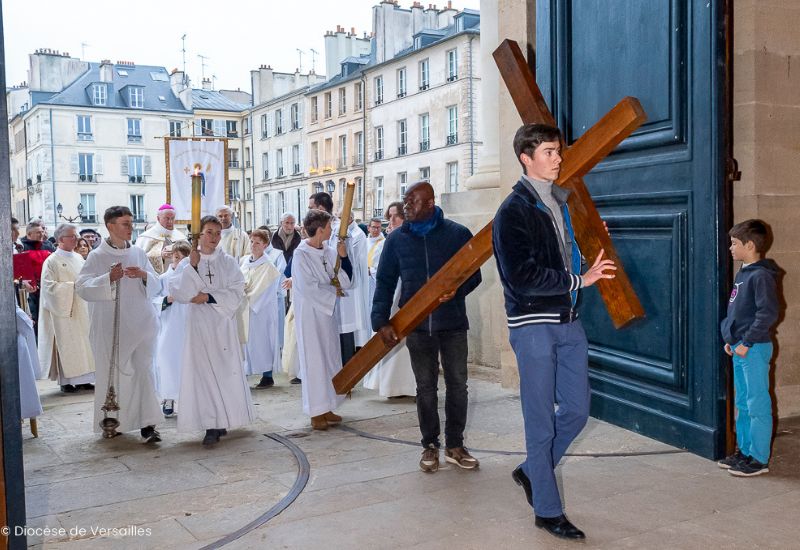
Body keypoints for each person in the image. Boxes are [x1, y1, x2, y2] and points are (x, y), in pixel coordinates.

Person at [493, 123, 617, 540]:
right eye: (549, 152)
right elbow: (522, 276)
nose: (558, 158)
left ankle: (532, 470)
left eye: (558, 151)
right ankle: (547, 510)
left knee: (578, 410)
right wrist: (579, 281)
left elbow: (565, 255)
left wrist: (588, 259)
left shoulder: (559, 203)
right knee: (540, 420)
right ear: (526, 157)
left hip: (568, 321)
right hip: (533, 326)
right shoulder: (512, 212)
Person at [373, 181, 482, 473]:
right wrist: (380, 321)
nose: (405, 207)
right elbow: (384, 281)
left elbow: (475, 275)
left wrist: (456, 290)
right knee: (425, 387)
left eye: (412, 202)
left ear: (430, 203)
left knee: (458, 385)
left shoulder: (457, 234)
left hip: (453, 324)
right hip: (417, 326)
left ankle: (456, 445)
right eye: (405, 201)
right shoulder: (396, 240)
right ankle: (430, 446)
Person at [76, 206, 164, 443]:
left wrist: (144, 276)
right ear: (110, 226)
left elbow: (157, 284)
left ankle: (148, 425)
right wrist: (108, 279)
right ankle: (112, 423)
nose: (130, 227)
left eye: (131, 222)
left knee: (144, 373)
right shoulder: (96, 256)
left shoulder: (137, 252)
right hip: (111, 329)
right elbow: (82, 287)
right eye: (125, 223)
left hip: (141, 324)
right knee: (113, 375)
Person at [170, 215, 254, 446]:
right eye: (209, 232)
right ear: (199, 234)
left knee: (223, 371)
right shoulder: (189, 261)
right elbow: (178, 291)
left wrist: (209, 296)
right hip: (198, 325)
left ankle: (223, 417)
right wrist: (194, 266)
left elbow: (238, 289)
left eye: (218, 233)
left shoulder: (227, 262)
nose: (214, 238)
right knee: (203, 372)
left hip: (222, 324)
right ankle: (211, 423)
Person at [718, 219, 779, 477]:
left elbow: (767, 313)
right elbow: (736, 311)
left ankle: (758, 459)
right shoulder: (743, 272)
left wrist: (748, 341)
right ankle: (744, 451)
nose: (730, 248)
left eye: (734, 244)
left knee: (757, 405)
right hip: (740, 348)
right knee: (743, 403)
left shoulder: (761, 276)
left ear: (750, 245)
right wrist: (731, 340)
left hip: (753, 349)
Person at [293, 209, 352, 430]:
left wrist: (343, 257)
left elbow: (342, 278)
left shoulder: (327, 250)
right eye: (328, 227)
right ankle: (315, 412)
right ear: (320, 230)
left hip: (327, 315)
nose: (331, 230)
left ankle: (328, 406)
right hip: (310, 315)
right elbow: (307, 288)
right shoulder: (301, 255)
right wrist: (332, 291)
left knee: (329, 357)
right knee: (314, 361)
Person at [309, 192, 370, 363]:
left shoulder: (351, 234)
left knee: (345, 331)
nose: (337, 221)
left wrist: (343, 253)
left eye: (311, 208)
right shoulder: (330, 231)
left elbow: (353, 263)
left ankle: (347, 372)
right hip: (330, 287)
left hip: (346, 287)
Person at [363, 206, 416, 399]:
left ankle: (407, 385)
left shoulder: (410, 238)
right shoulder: (389, 241)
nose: (391, 221)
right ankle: (390, 384)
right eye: (390, 217)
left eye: (396, 216)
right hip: (392, 292)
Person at [38, 224, 96, 393]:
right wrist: (72, 288)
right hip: (64, 311)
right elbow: (49, 288)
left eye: (76, 235)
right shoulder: (51, 261)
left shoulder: (79, 258)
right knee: (68, 345)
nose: (76, 239)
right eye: (72, 236)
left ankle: (85, 379)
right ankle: (67, 382)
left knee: (85, 344)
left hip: (82, 308)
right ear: (60, 239)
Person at [240, 228, 286, 389]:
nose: (253, 245)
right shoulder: (245, 261)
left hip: (261, 310)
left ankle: (267, 375)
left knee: (262, 341)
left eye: (258, 243)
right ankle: (246, 371)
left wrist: (247, 299)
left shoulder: (269, 266)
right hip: (245, 308)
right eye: (252, 242)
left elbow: (266, 291)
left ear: (265, 245)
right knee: (247, 342)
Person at [154, 240, 192, 417]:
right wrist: (165, 300)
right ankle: (168, 397)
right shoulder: (163, 279)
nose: (179, 261)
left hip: (188, 326)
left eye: (183, 258)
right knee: (167, 360)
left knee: (187, 362)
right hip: (169, 327)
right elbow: (152, 300)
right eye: (176, 257)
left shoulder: (193, 279)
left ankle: (187, 399)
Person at [21, 221, 54, 335]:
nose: (42, 234)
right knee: (33, 318)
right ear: (29, 234)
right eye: (38, 232)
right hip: (29, 291)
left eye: (42, 231)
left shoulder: (48, 245)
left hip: (47, 288)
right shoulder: (22, 246)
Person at [135, 204, 187, 274]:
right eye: (167, 218)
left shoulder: (181, 237)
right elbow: (138, 259)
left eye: (172, 218)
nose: (170, 221)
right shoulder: (146, 237)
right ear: (158, 218)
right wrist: (160, 255)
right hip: (155, 279)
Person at [365, 217, 385, 303]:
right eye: (373, 227)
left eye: (378, 227)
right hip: (364, 280)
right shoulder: (364, 242)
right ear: (368, 228)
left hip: (375, 279)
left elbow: (385, 264)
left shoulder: (384, 243)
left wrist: (371, 271)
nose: (376, 230)